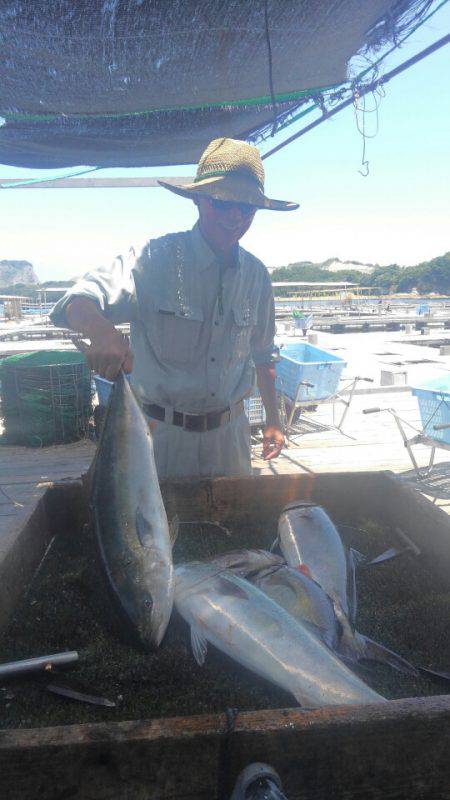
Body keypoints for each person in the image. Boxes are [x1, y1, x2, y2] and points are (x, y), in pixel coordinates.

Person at [50, 137, 299, 479]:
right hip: (158, 436)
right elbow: (77, 300)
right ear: (198, 199)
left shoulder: (257, 277)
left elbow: (264, 355)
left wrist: (274, 420)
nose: (236, 215)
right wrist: (101, 331)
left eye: (247, 206)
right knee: (151, 530)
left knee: (234, 528)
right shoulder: (152, 259)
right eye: (222, 202)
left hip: (231, 439)